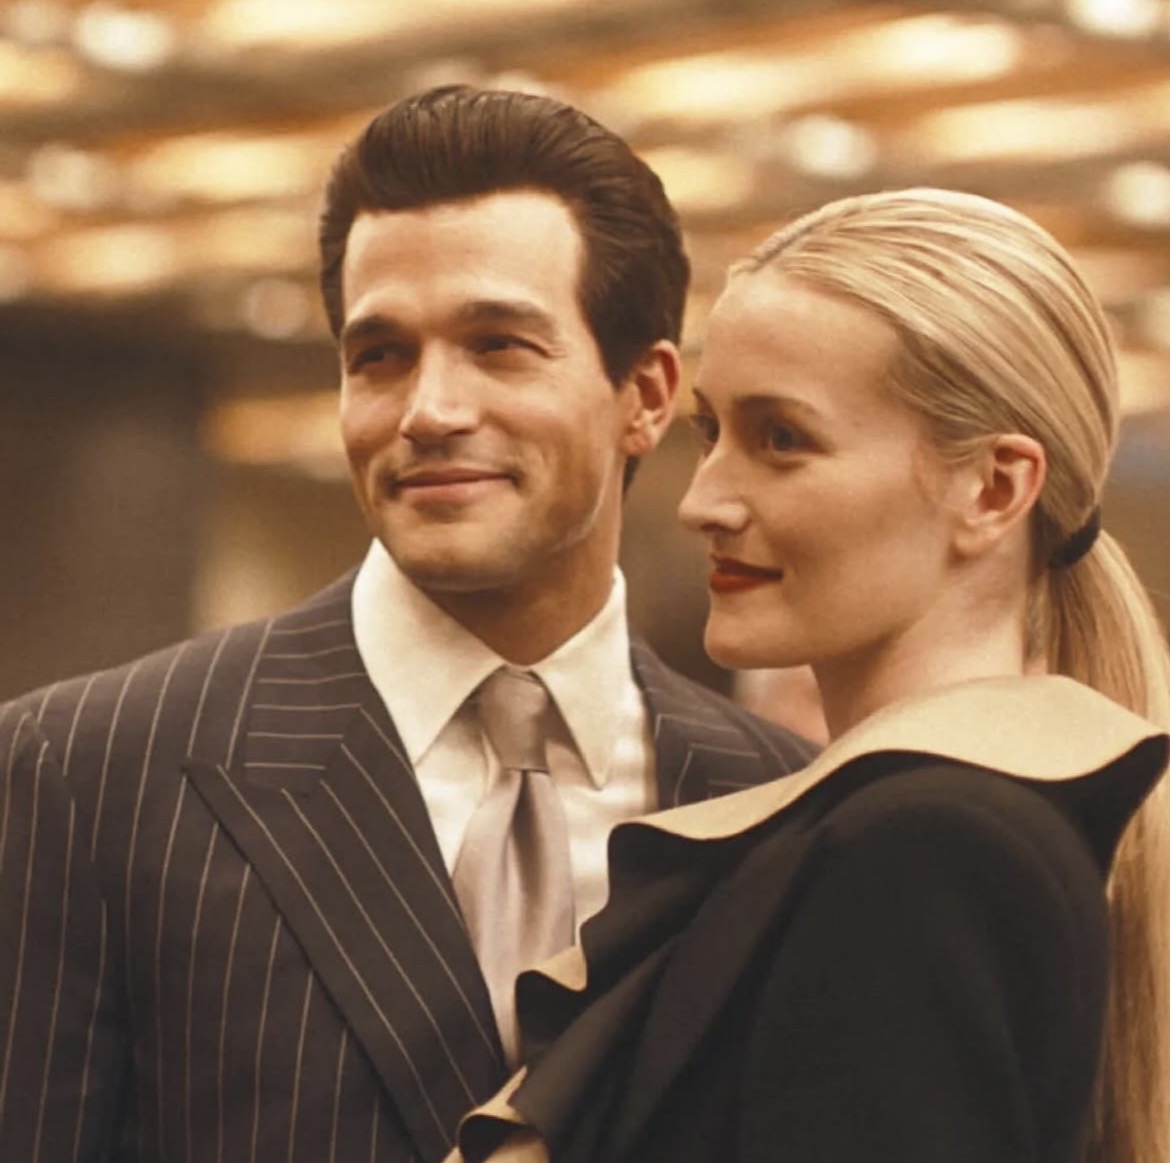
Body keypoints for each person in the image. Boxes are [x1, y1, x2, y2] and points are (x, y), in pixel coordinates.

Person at [0, 86, 816, 1163]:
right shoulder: (89, 772)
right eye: (379, 354)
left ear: (647, 394)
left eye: (498, 344)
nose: (430, 410)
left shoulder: (778, 803)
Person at [447, 189, 1170, 1163]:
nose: (703, 501)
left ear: (994, 487)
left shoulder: (927, 848)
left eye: (782, 438)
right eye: (712, 432)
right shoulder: (903, 826)